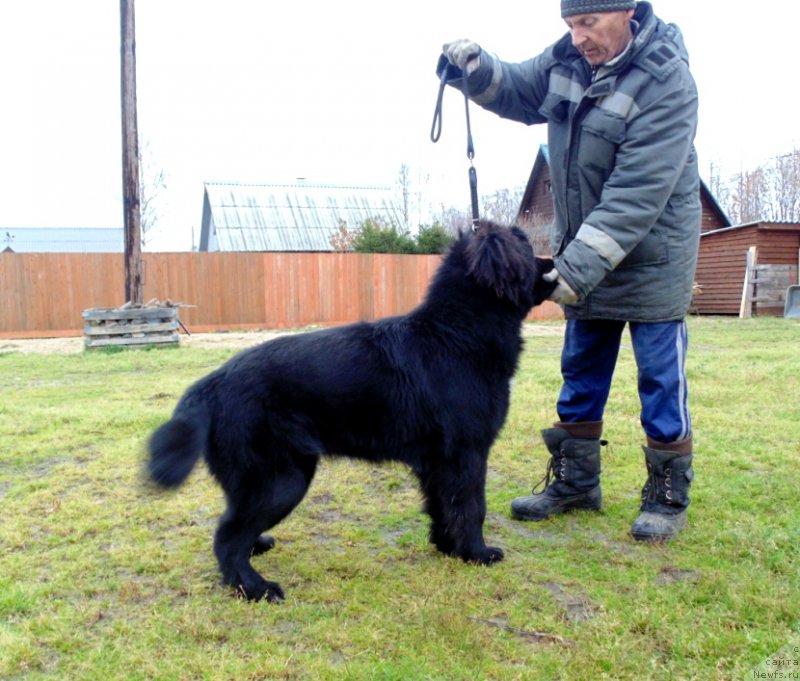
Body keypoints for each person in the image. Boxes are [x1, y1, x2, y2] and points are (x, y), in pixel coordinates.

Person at [440, 0, 699, 542]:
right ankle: (577, 483)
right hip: (587, 251)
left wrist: (572, 269)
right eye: (570, 25)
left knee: (660, 379)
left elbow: (636, 196)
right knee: (580, 373)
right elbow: (515, 88)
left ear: (626, 11)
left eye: (588, 23)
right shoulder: (565, 63)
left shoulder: (666, 80)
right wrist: (478, 70)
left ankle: (667, 495)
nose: (579, 37)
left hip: (652, 258)